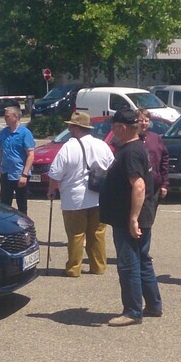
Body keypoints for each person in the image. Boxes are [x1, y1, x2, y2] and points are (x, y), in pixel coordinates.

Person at [98, 108, 162, 326]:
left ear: (122, 128)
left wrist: (133, 219)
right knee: (142, 260)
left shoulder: (131, 151)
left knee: (128, 264)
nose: (111, 130)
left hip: (129, 219)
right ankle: (153, 305)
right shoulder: (134, 148)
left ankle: (133, 311)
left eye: (114, 126)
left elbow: (139, 185)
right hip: (135, 216)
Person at [47, 111, 114, 277]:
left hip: (74, 199)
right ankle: (98, 267)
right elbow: (112, 166)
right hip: (99, 196)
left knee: (76, 234)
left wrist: (51, 189)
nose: (68, 128)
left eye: (70, 125)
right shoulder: (101, 145)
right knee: (97, 234)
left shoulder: (68, 147)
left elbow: (55, 173)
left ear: (76, 128)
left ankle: (74, 268)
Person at [0, 105, 35, 215]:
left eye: (7, 116)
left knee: (21, 205)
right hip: (6, 173)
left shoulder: (25, 133)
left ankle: (23, 228)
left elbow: (31, 155)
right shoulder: (4, 132)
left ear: (16, 116)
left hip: (19, 174)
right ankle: (5, 228)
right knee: (4, 205)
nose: (5, 118)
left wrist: (24, 174)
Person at [137, 108, 169, 214]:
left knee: (149, 216)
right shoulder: (131, 139)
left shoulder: (156, 138)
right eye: (140, 120)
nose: (144, 123)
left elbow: (164, 160)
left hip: (154, 185)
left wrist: (164, 184)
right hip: (137, 185)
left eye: (146, 121)